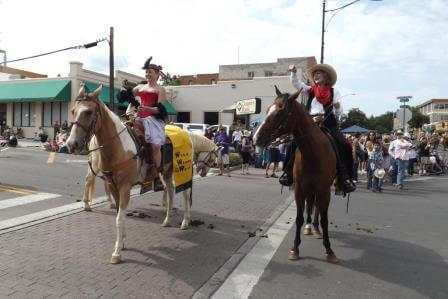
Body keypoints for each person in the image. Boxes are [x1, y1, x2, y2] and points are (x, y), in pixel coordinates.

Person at [283, 63, 356, 193]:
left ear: (325, 76)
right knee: (293, 143)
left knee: (343, 144)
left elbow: (339, 113)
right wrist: (293, 72)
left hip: (328, 123)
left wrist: (337, 106)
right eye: (315, 73)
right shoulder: (310, 90)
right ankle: (288, 173)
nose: (316, 75)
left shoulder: (334, 92)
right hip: (310, 124)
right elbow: (297, 84)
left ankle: (345, 177)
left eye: (319, 73)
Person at [132, 57, 168, 180]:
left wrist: (146, 109)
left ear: (157, 74)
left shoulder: (160, 89)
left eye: (150, 72)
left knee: (156, 146)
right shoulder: (139, 88)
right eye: (146, 72)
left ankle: (158, 174)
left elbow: (159, 110)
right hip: (139, 118)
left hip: (154, 120)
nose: (148, 74)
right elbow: (130, 95)